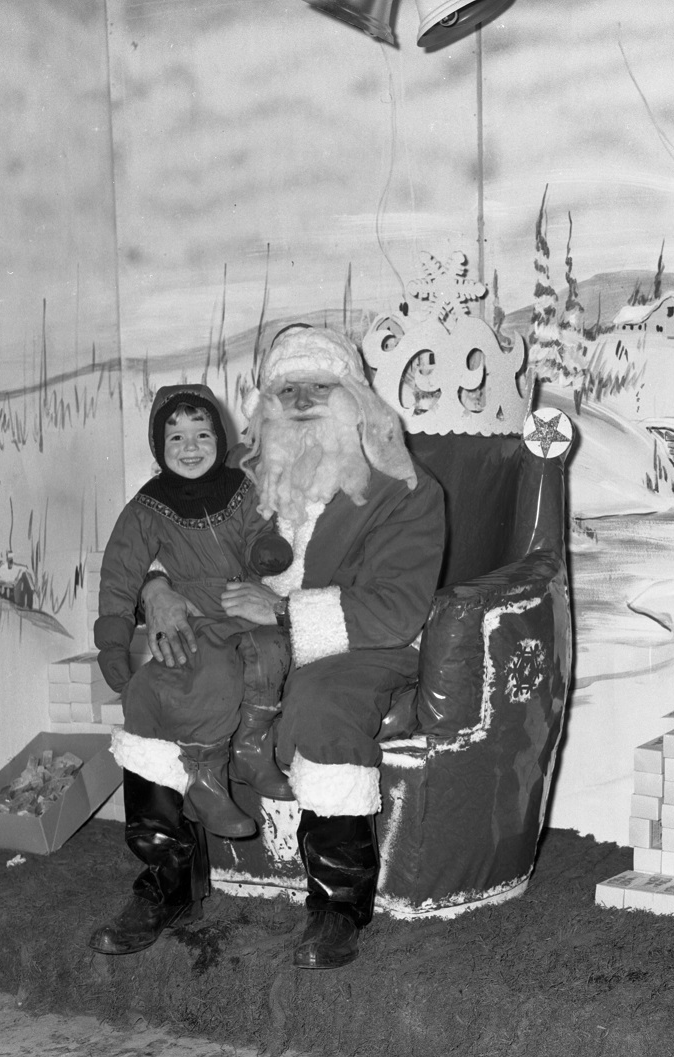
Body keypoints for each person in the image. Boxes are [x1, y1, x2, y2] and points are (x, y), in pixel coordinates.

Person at [138, 326, 446, 970]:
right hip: (247, 634)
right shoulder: (240, 477)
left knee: (320, 702)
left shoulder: (406, 488)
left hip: (361, 644)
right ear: (267, 404)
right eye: (287, 389)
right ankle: (166, 886)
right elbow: (166, 531)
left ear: (355, 396)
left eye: (320, 387)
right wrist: (156, 588)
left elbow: (395, 609)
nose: (302, 401)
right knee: (162, 680)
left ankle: (337, 907)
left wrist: (282, 611)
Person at [88, 383, 294, 957]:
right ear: (158, 447)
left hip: (255, 612)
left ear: (221, 439)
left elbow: (261, 535)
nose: (190, 446)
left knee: (234, 670)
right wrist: (114, 638)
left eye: (202, 434)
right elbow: (120, 573)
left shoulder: (245, 487)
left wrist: (267, 554)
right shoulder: (148, 506)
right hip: (203, 618)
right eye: (175, 437)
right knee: (154, 690)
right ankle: (168, 879)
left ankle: (239, 755)